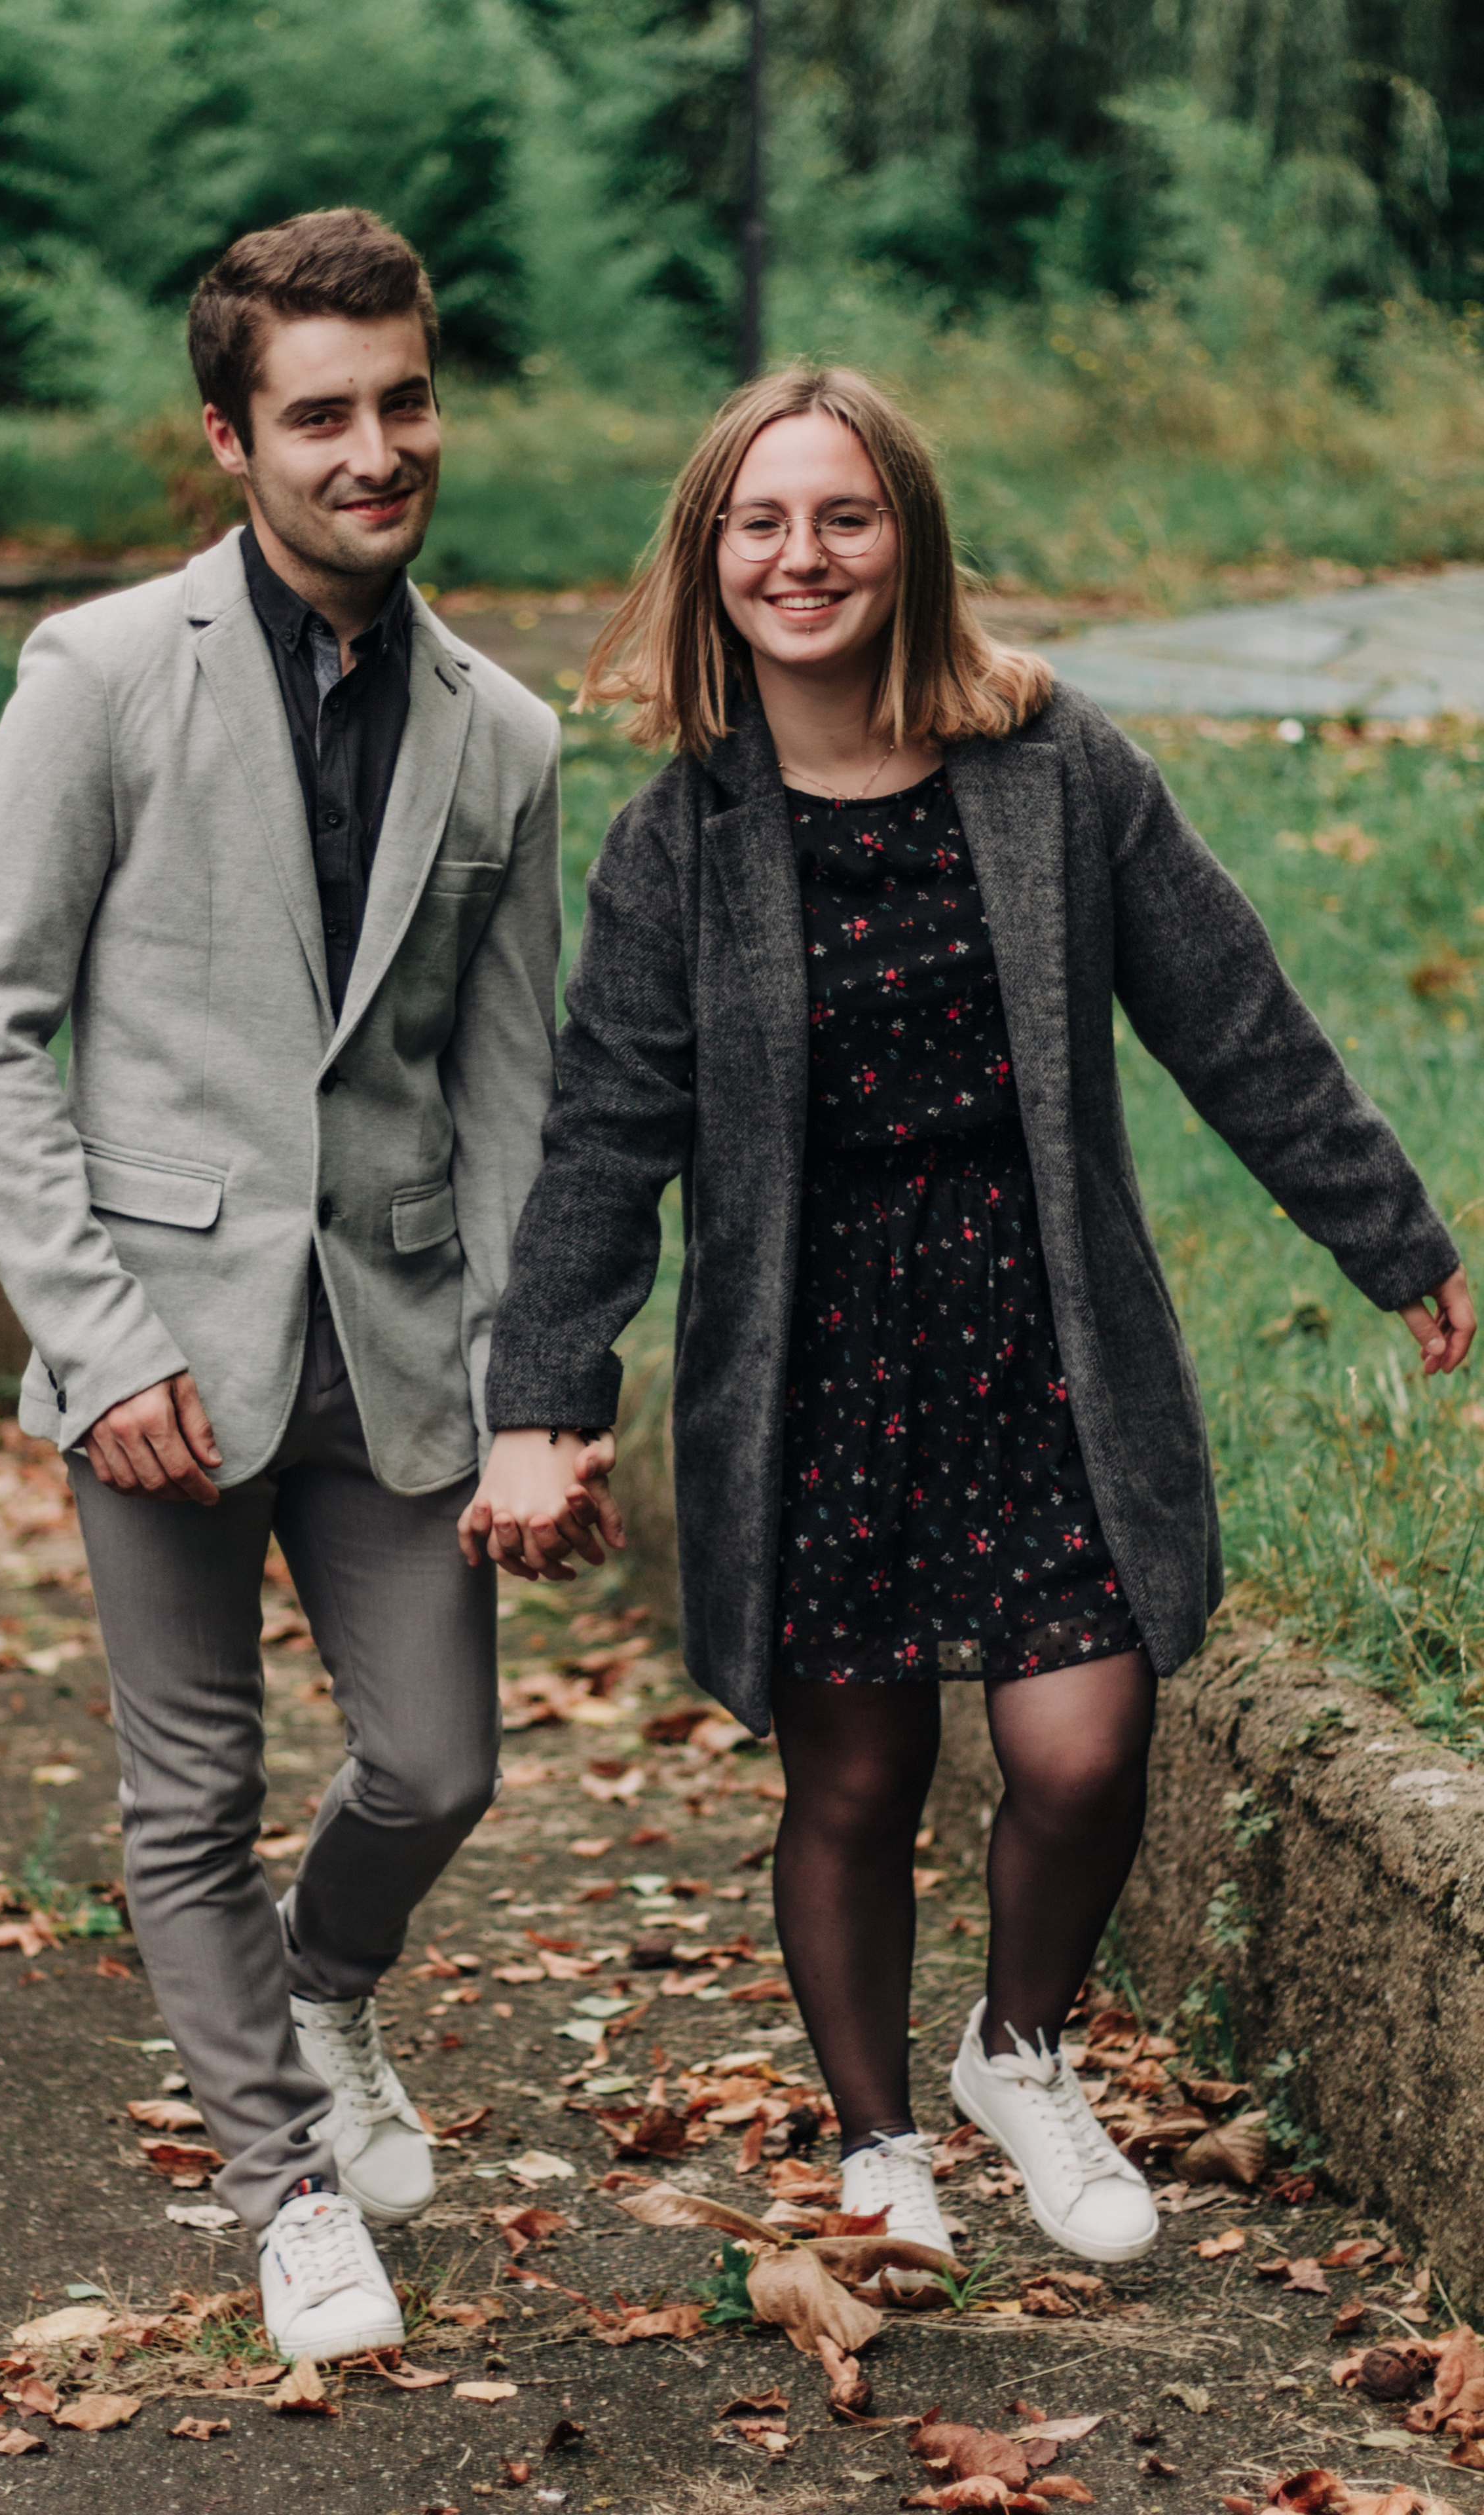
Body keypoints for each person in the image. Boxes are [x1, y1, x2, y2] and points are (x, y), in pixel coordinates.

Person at [461, 364, 1474, 2267]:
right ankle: (880, 2145)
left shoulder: (1052, 767)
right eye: (760, 522)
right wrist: (546, 1397)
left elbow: (1228, 1006)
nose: (802, 556)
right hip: (815, 1367)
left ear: (908, 540)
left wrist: (1387, 1232)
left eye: (843, 516)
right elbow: (605, 1139)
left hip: (1041, 1340)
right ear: (711, 559)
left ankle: (1021, 2051)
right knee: (858, 1774)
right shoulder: (679, 839)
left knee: (1087, 1746)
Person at [0, 208, 570, 2360]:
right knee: (184, 1795)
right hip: (160, 1363)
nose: (374, 448)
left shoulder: (508, 738)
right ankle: (285, 2190)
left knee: (443, 1768)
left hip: (394, 1352)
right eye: (321, 413)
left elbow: (514, 1100)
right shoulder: (101, 678)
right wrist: (93, 1338)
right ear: (231, 436)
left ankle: (326, 1990)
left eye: (403, 399)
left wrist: (530, 1389)